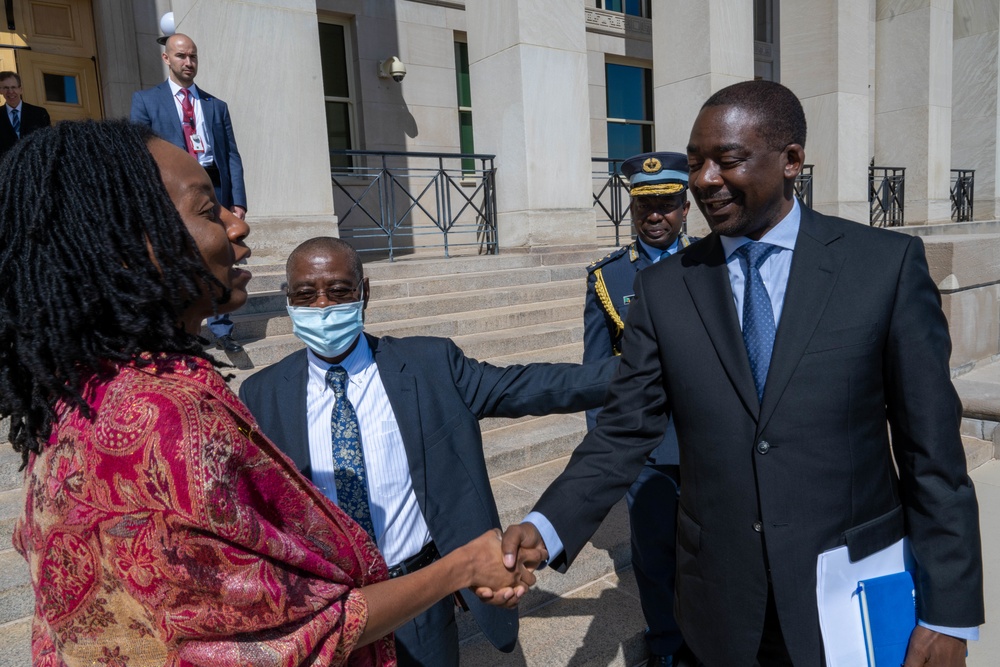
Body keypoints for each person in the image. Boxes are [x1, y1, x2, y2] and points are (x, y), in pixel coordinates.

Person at [0, 119, 533, 666]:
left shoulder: (85, 395)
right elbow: (291, 635)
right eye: (209, 211)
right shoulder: (166, 420)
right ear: (131, 245)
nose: (238, 226)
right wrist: (463, 567)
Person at [496, 80, 984, 666]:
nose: (702, 180)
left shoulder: (883, 267)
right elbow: (624, 431)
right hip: (720, 604)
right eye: (697, 161)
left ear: (791, 162)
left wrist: (947, 612)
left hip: (850, 597)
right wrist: (546, 526)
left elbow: (932, 453)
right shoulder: (664, 288)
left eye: (727, 160)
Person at [238, 236, 617, 667]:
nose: (323, 306)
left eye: (339, 291)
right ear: (289, 301)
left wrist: (647, 368)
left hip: (419, 601)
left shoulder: (429, 364)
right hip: (326, 611)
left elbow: (531, 386)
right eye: (306, 294)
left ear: (365, 292)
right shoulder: (262, 393)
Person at [583, 151, 695, 666]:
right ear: (630, 209)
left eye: (667, 203)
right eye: (645, 205)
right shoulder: (608, 278)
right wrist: (605, 457)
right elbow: (593, 376)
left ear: (685, 206)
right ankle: (668, 647)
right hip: (646, 446)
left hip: (709, 440)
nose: (656, 215)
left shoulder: (714, 261)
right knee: (653, 558)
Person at [131, 33, 247, 353]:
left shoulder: (215, 105)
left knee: (220, 254)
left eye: (193, 56)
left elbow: (231, 155)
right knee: (177, 256)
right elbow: (140, 153)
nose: (189, 62)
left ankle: (222, 327)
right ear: (167, 59)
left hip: (214, 188)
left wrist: (237, 201)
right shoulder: (146, 101)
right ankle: (178, 327)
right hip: (173, 194)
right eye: (181, 56)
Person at [0, 71, 50, 159]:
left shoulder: (39, 113)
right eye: (6, 88)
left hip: (34, 164)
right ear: (0, 91)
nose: (10, 91)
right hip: (5, 168)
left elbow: (48, 142)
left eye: (13, 87)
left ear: (21, 89)